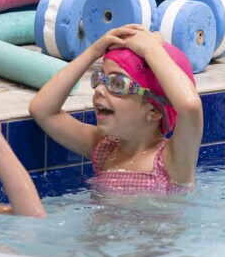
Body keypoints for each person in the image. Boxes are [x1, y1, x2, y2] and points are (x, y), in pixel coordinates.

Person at [29, 24, 203, 193]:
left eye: (117, 84)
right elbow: (42, 110)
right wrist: (93, 52)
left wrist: (151, 49)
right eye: (100, 78)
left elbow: (190, 106)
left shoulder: (171, 162)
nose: (98, 89)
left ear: (154, 111)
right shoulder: (104, 149)